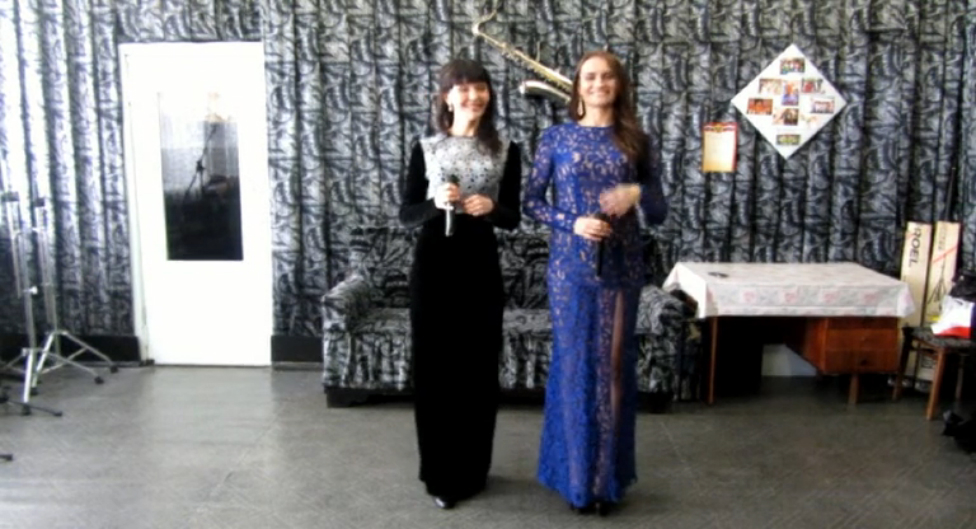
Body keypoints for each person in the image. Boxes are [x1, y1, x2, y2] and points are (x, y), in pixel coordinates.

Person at [524, 50, 668, 516]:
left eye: (608, 76)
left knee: (613, 369)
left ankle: (605, 481)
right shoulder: (556, 137)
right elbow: (531, 202)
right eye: (590, 76)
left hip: (621, 267)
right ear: (578, 85)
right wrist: (572, 222)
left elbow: (658, 212)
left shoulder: (636, 140)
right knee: (574, 367)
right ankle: (575, 480)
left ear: (619, 84)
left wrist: (636, 191)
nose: (599, 83)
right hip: (569, 267)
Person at [398, 58, 522, 510]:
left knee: (477, 370)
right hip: (433, 267)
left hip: (479, 266)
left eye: (480, 88)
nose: (473, 96)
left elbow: (513, 217)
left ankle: (474, 470)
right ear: (447, 97)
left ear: (489, 94)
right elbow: (406, 213)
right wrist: (435, 202)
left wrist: (491, 207)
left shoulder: (506, 149)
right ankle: (439, 475)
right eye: (463, 88)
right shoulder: (426, 147)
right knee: (435, 371)